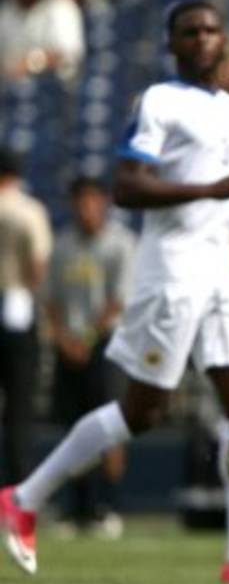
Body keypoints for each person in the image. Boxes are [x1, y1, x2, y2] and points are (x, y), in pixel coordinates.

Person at [0, 1, 229, 584]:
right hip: (170, 268)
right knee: (141, 412)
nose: (201, 38)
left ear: (225, 41)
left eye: (211, 29)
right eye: (189, 31)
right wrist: (217, 187)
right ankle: (24, 496)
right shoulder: (159, 102)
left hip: (222, 265)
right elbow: (127, 187)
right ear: (173, 44)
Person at [46, 177, 136, 535]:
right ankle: (76, 507)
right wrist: (63, 339)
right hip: (69, 347)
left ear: (103, 203)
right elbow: (50, 299)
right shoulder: (63, 244)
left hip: (107, 345)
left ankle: (106, 505)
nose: (86, 209)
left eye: (92, 201)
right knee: (74, 428)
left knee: (109, 426)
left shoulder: (121, 243)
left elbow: (118, 300)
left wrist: (83, 338)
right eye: (79, 201)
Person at [0, 148, 53, 485]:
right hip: (16, 305)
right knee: (18, 407)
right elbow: (37, 266)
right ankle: (17, 489)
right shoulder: (28, 210)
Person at [0, 0, 86, 86]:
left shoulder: (61, 7)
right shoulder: (7, 10)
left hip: (54, 91)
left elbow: (69, 55)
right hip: (11, 93)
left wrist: (32, 63)